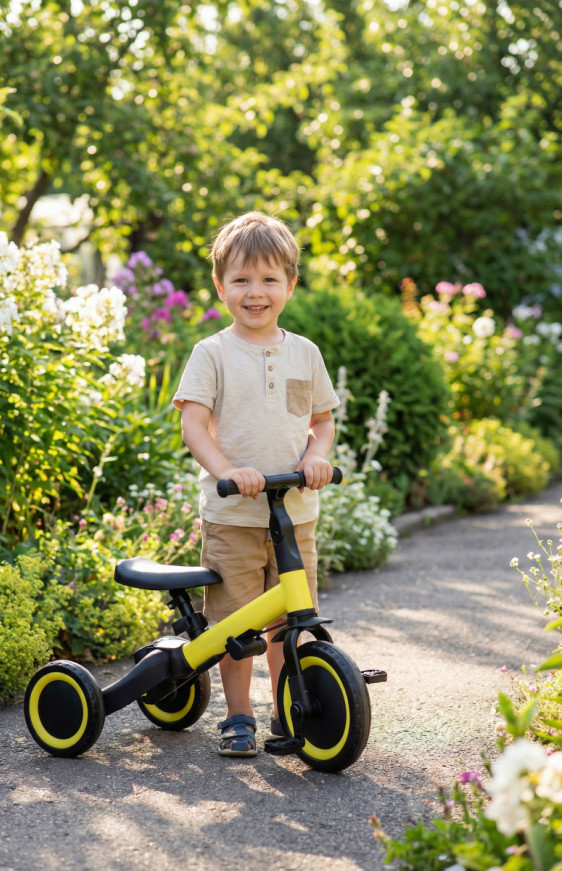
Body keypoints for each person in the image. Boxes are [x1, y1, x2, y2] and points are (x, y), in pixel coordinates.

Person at [173, 211, 339, 757]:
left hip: (294, 514)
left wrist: (316, 456)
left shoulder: (305, 353)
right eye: (242, 280)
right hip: (235, 518)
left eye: (269, 279)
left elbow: (322, 420)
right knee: (235, 625)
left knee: (289, 622)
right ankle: (238, 716)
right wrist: (226, 471)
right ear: (220, 286)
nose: (255, 292)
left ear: (291, 285)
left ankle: (289, 709)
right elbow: (194, 422)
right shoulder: (213, 353)